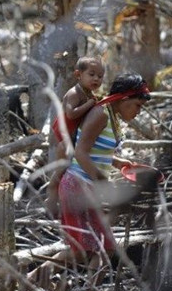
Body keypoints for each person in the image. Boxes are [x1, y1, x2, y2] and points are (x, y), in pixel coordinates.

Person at [58, 73, 151, 269]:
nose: (139, 112)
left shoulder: (111, 117)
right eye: (138, 106)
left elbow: (94, 152)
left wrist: (117, 162)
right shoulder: (100, 114)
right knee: (85, 250)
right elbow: (80, 152)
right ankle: (30, 278)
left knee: (102, 248)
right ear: (124, 99)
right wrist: (103, 183)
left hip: (87, 186)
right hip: (77, 186)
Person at [45, 56, 104, 217]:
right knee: (62, 170)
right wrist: (90, 104)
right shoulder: (74, 93)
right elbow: (71, 114)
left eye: (100, 76)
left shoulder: (87, 93)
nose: (96, 79)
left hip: (75, 137)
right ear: (78, 75)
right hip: (66, 139)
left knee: (73, 170)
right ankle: (51, 199)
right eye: (91, 74)